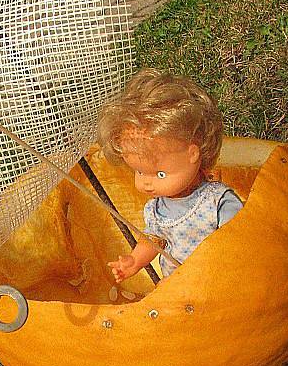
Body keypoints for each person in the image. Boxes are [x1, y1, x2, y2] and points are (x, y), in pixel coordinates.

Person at [97, 69, 243, 282]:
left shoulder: (215, 201)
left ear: (193, 154)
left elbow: (241, 237)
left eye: (160, 173)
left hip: (218, 281)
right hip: (177, 289)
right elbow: (155, 241)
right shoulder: (157, 209)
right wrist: (134, 261)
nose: (147, 182)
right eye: (139, 171)